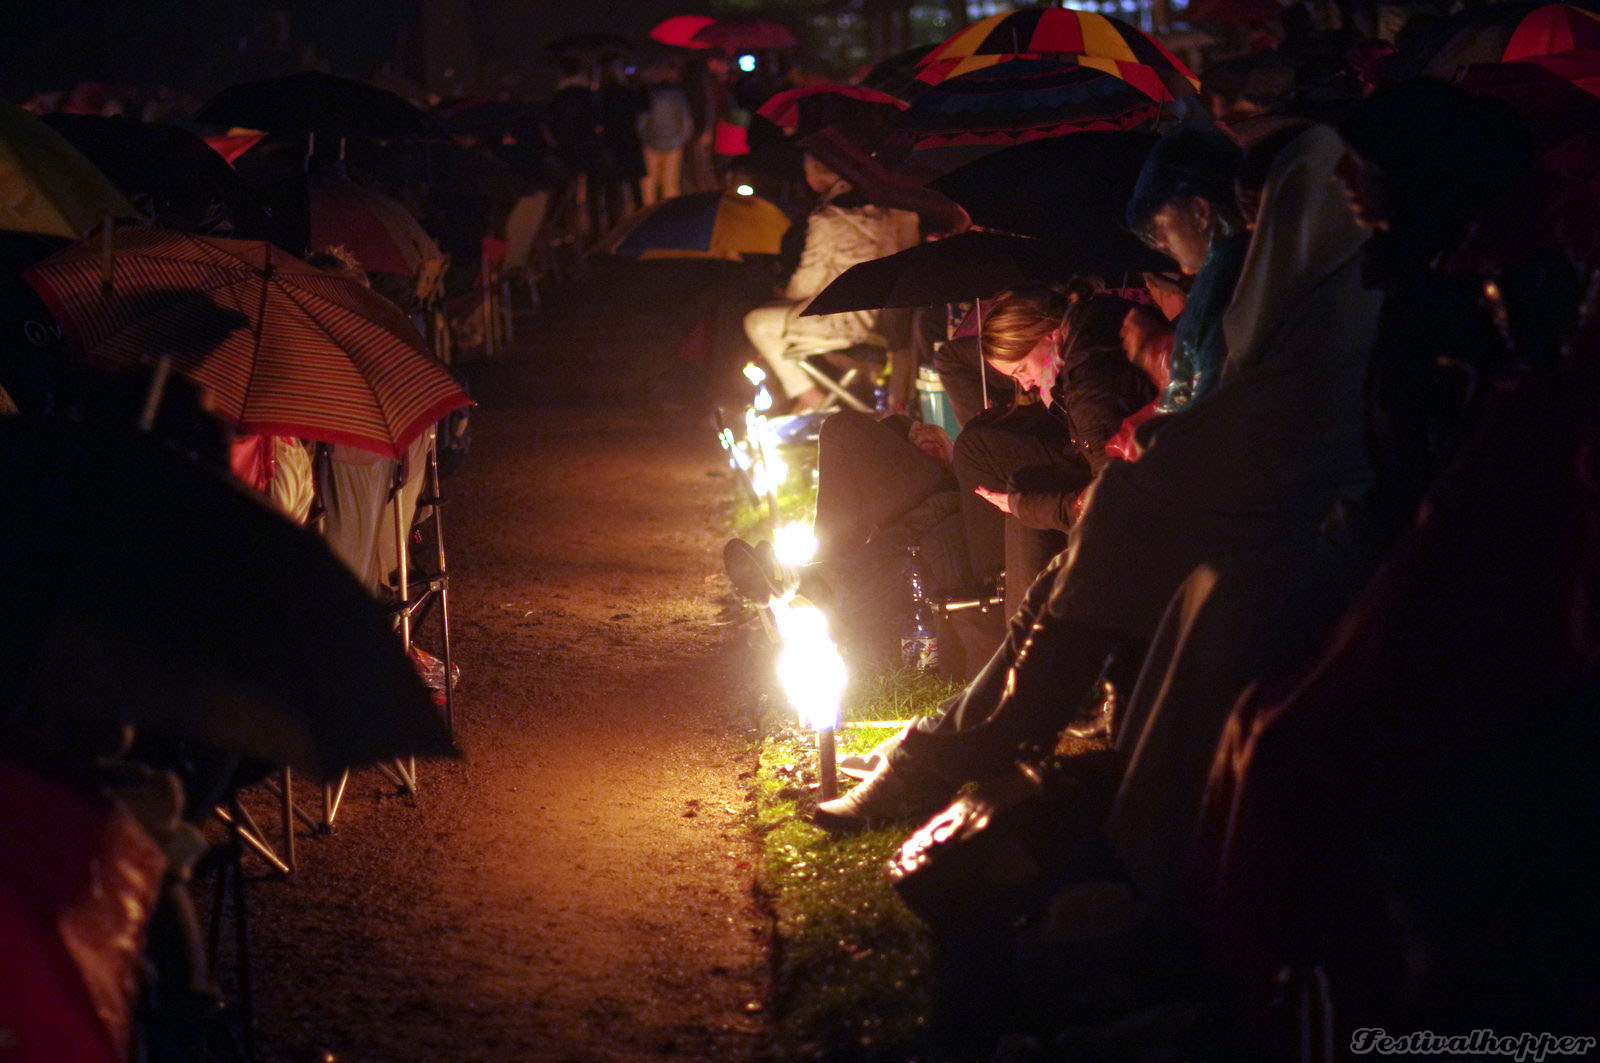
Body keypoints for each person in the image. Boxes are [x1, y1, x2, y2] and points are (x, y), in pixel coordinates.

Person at [814, 124, 1381, 833]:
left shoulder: (1327, 292)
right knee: (1073, 523)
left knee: (1107, 513)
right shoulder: (1287, 286)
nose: (1246, 232)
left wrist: (1157, 359)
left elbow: (1242, 406)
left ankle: (950, 749)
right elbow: (1225, 400)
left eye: (1260, 215)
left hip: (1293, 512)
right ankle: (949, 745)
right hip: (1240, 492)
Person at [742, 154, 919, 412]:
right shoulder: (901, 214)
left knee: (757, 322)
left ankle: (808, 395)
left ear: (815, 176)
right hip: (890, 319)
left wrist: (786, 296)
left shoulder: (829, 219)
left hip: (843, 320)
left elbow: (810, 277)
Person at [1125, 129, 1249, 413]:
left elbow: (1204, 413)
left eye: (1160, 226)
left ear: (1200, 211)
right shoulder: (1246, 259)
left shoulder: (1224, 283)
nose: (1158, 243)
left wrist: (1156, 352)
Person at [635, 62, 693, 206]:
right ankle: (668, 213)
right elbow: (686, 120)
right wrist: (681, 139)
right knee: (670, 183)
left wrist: (644, 138)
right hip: (673, 144)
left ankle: (647, 214)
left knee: (649, 182)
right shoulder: (679, 96)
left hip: (651, 143)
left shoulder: (648, 95)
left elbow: (641, 120)